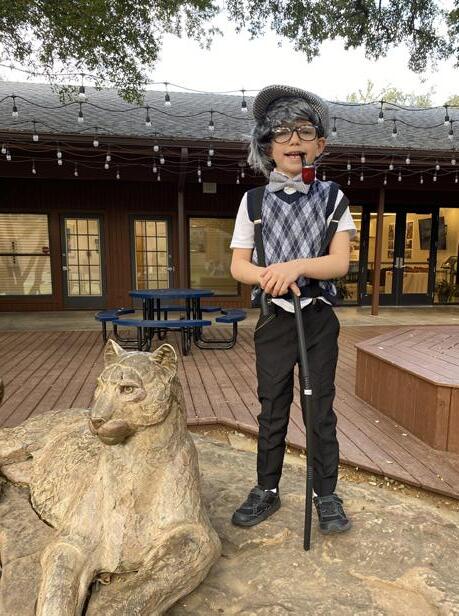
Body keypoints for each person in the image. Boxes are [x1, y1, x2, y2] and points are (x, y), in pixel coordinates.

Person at [229, 85, 357, 534]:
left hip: (317, 318)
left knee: (319, 408)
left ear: (319, 145)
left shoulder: (333, 197)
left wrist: (296, 266)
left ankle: (326, 493)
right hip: (274, 320)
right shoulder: (253, 201)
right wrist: (270, 276)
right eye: (282, 132)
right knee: (272, 407)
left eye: (304, 131)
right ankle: (267, 488)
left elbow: (339, 263)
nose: (293, 140)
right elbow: (238, 266)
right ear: (267, 145)